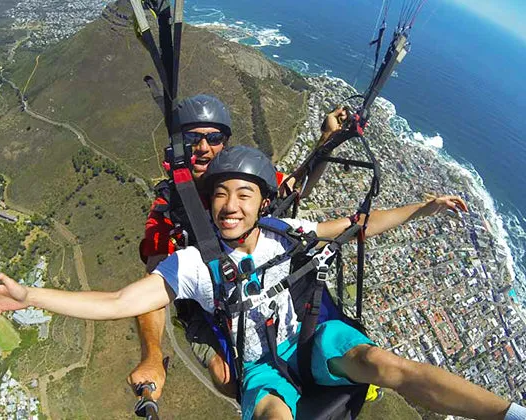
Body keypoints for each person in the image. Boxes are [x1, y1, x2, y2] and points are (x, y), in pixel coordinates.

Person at [0, 146, 526, 420]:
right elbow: (120, 301)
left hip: (310, 343)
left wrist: (418, 209)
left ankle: (517, 417)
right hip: (261, 368)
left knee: (388, 365)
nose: (229, 204)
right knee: (273, 415)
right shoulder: (194, 265)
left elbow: (351, 228)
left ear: (263, 202)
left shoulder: (285, 232)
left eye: (243, 193)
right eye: (219, 193)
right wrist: (29, 296)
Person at [132, 94, 470, 400]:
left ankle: (326, 369)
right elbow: (153, 291)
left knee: (315, 319)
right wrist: (151, 355)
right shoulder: (168, 211)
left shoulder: (244, 176)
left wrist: (328, 139)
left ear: (226, 143)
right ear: (178, 144)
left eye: (213, 138)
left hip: (256, 280)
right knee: (226, 378)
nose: (204, 147)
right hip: (207, 302)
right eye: (193, 138)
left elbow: (295, 189)